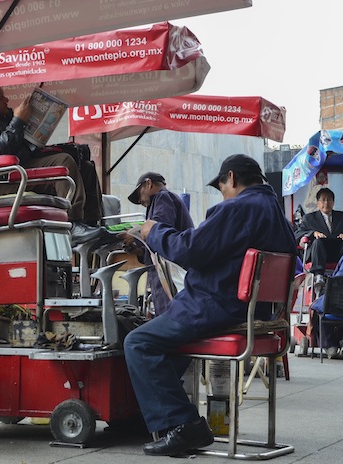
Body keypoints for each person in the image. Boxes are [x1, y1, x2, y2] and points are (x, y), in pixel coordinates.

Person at [123, 154, 296, 456]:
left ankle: (185, 425)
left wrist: (155, 233)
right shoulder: (276, 214)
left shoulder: (239, 207)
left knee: (138, 342)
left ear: (231, 178)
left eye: (221, 188)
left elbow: (192, 250)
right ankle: (162, 417)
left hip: (216, 306)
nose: (223, 194)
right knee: (167, 348)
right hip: (255, 310)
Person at [0, 87, 105, 244]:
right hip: (7, 178)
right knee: (64, 162)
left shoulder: (5, 115)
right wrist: (18, 121)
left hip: (24, 165)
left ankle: (91, 225)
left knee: (86, 166)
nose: (6, 101)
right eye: (0, 99)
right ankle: (73, 223)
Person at [120, 172, 194, 317]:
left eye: (140, 194)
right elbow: (159, 241)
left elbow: (159, 229)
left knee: (170, 318)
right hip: (166, 272)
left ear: (149, 184)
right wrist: (139, 250)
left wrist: (134, 235)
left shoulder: (163, 197)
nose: (140, 201)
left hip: (170, 272)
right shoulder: (161, 201)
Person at [295, 187, 343, 290]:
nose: (326, 203)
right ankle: (318, 276)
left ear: (333, 202)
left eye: (329, 200)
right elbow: (298, 234)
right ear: (318, 203)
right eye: (323, 200)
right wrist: (313, 233)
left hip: (338, 252)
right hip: (319, 253)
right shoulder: (309, 218)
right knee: (317, 242)